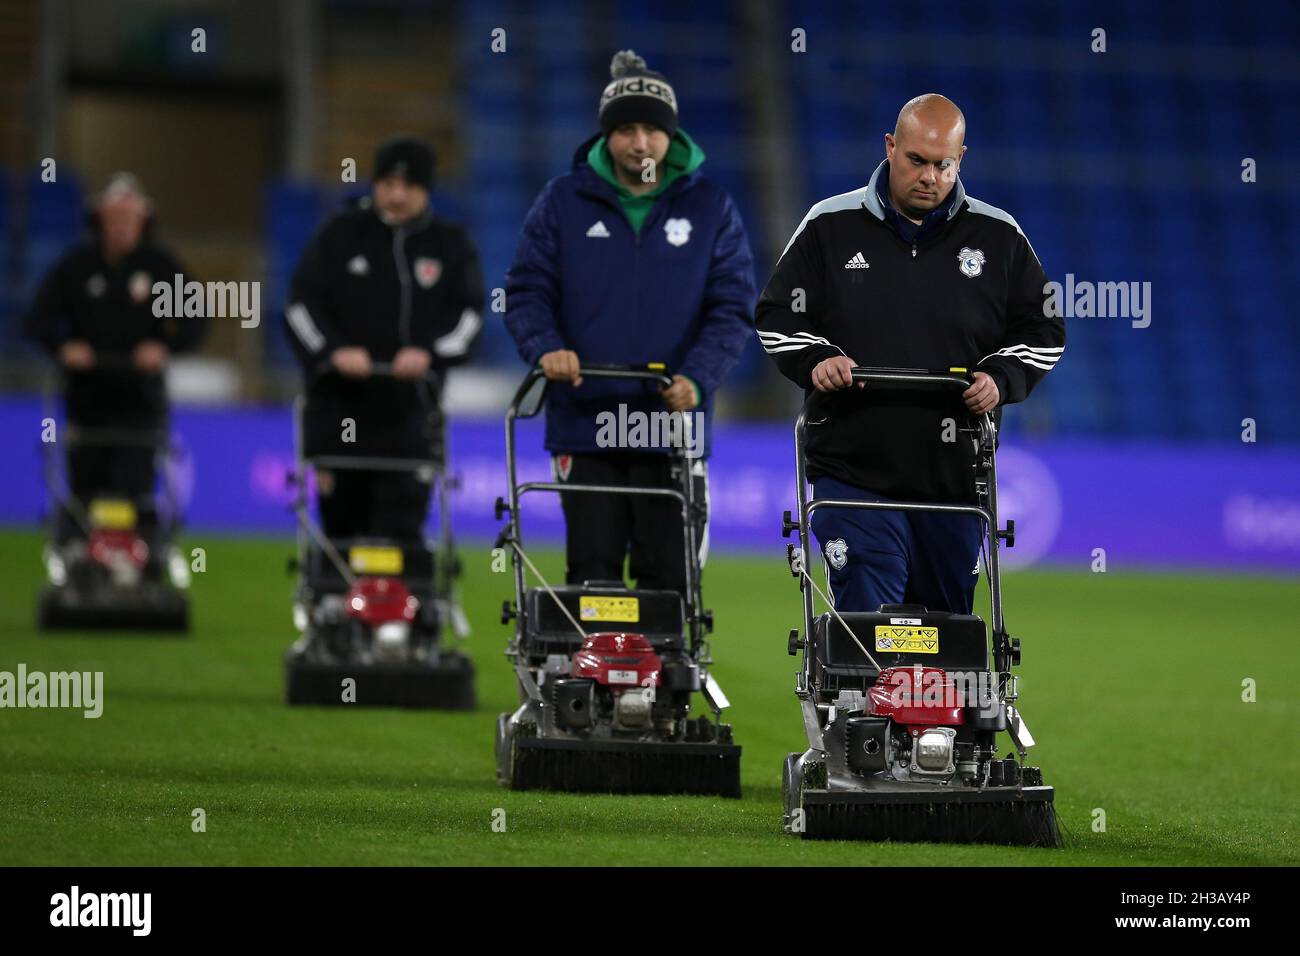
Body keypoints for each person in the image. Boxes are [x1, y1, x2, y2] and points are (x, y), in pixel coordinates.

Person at [755, 94, 1066, 615]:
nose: (929, 176)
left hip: (955, 476)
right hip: (852, 470)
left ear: (961, 157)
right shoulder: (829, 224)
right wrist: (817, 358)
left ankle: (939, 698)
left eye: (942, 164)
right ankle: (864, 699)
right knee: (870, 624)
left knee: (947, 630)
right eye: (916, 160)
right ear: (890, 147)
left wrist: (1002, 375)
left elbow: (1046, 331)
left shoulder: (1000, 236)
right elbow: (776, 317)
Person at [504, 50, 754, 596]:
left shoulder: (711, 207)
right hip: (585, 420)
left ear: (670, 134)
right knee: (591, 579)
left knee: (667, 586)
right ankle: (592, 683)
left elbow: (733, 307)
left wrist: (697, 376)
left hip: (671, 426)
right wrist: (546, 347)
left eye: (651, 130)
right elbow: (525, 293)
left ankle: (661, 686)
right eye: (626, 129)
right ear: (606, 135)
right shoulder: (562, 201)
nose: (640, 143)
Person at [285, 136, 485, 544]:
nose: (395, 195)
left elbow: (469, 318)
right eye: (386, 183)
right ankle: (338, 605)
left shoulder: (451, 245)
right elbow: (300, 307)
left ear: (427, 191)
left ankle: (399, 606)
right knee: (341, 532)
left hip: (410, 413)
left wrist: (428, 353)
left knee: (400, 534)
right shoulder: (339, 234)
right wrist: (332, 350)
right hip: (341, 410)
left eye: (408, 186)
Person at [26, 173, 205, 538]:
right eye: (114, 219)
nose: (122, 227)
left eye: (130, 219)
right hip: (88, 398)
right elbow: (37, 319)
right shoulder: (76, 266)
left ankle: (140, 564)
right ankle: (78, 563)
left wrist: (164, 348)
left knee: (136, 489)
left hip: (140, 400)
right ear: (99, 220)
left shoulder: (160, 266)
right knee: (85, 490)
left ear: (144, 222)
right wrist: (64, 347)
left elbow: (197, 320)